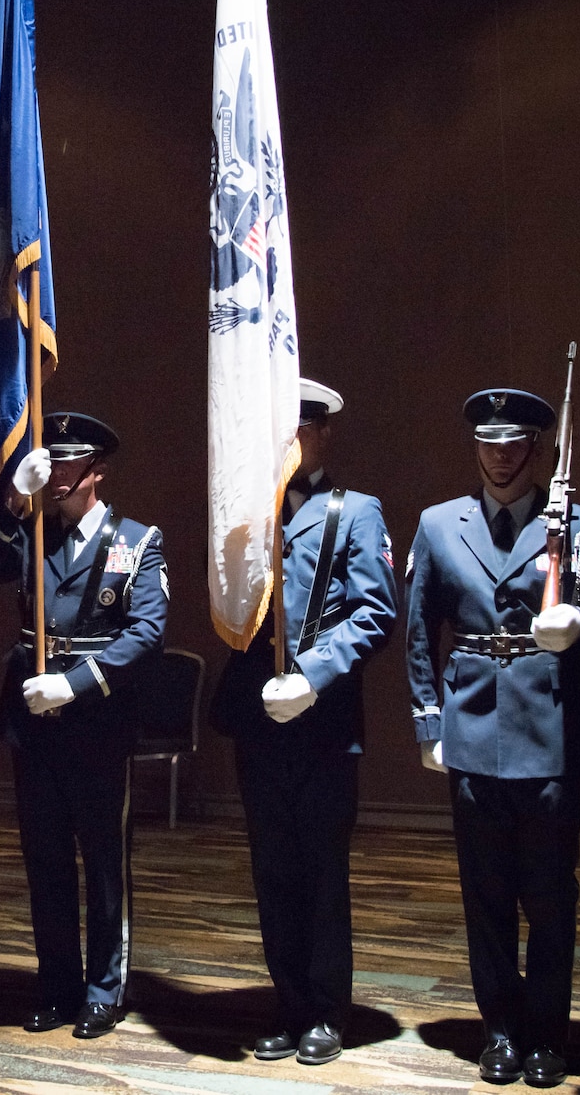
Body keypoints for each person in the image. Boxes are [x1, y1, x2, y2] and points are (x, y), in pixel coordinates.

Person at [404, 387, 580, 1089]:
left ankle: (547, 1037)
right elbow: (418, 633)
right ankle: (498, 1029)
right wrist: (429, 723)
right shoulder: (440, 526)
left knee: (551, 896)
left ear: (538, 449)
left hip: (549, 731)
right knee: (486, 893)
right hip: (470, 731)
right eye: (486, 443)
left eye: (513, 443)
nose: (498, 456)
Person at [209, 378, 396, 1066]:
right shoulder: (247, 514)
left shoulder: (356, 512)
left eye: (301, 431)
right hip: (260, 717)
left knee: (321, 868)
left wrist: (313, 675)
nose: (290, 444)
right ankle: (287, 1004)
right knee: (271, 868)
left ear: (323, 435)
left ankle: (325, 1009)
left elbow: (376, 611)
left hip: (320, 719)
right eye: (279, 434)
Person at [0, 412, 168, 1040]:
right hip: (34, 718)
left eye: (67, 464)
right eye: (50, 464)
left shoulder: (138, 542)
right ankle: (57, 986)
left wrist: (76, 681)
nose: (56, 475)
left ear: (96, 471)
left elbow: (145, 633)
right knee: (46, 862)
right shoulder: (31, 533)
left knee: (103, 862)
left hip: (96, 721)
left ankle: (103, 990)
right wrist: (13, 499)